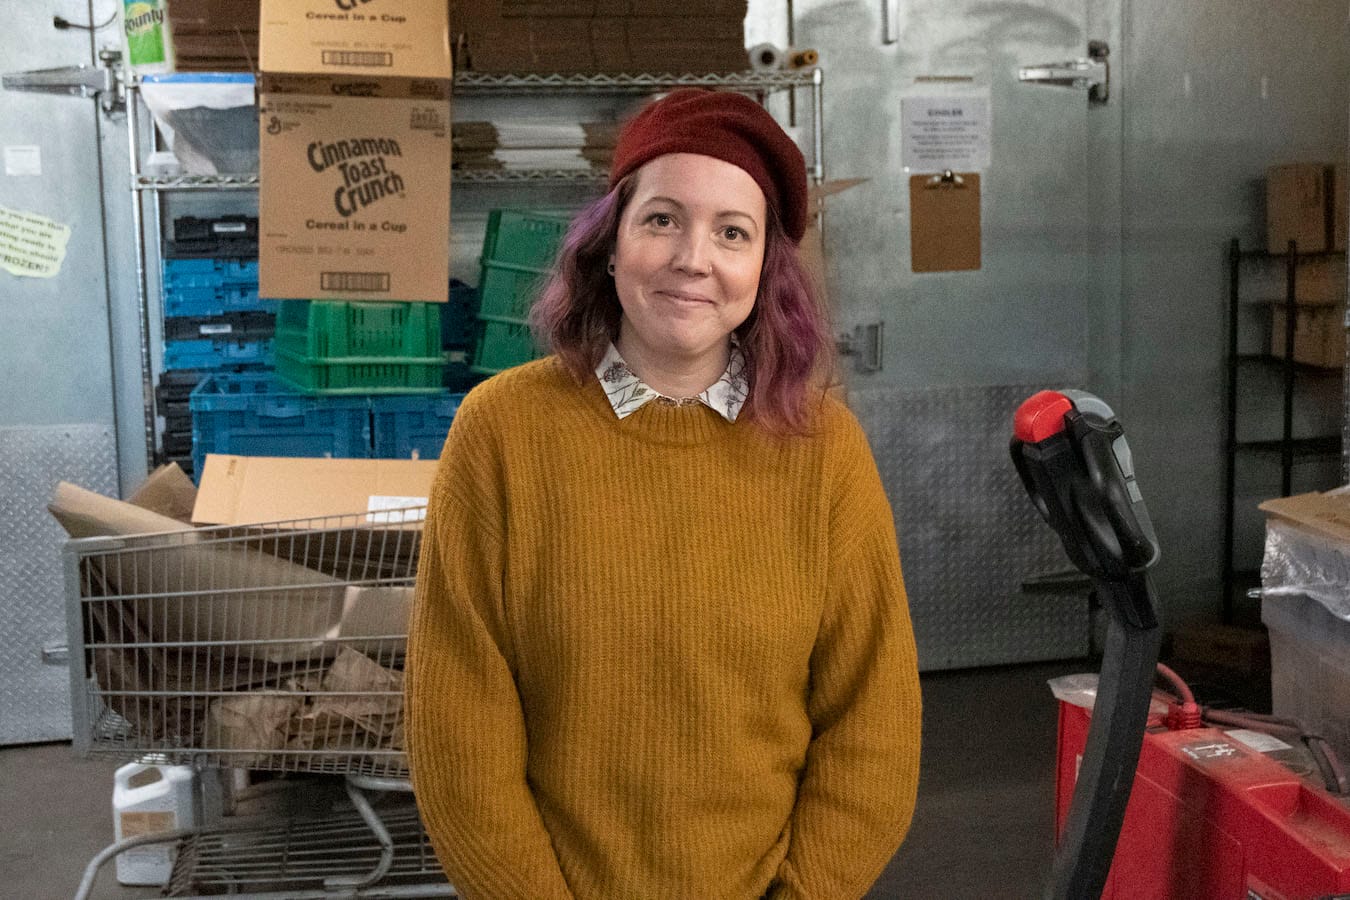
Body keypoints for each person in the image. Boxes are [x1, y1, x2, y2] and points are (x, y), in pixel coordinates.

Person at [406, 87, 922, 900]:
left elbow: (875, 722)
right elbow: (458, 723)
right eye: (662, 219)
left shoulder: (825, 453)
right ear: (610, 244)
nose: (694, 258)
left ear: (763, 271)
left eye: (732, 233)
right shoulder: (502, 432)